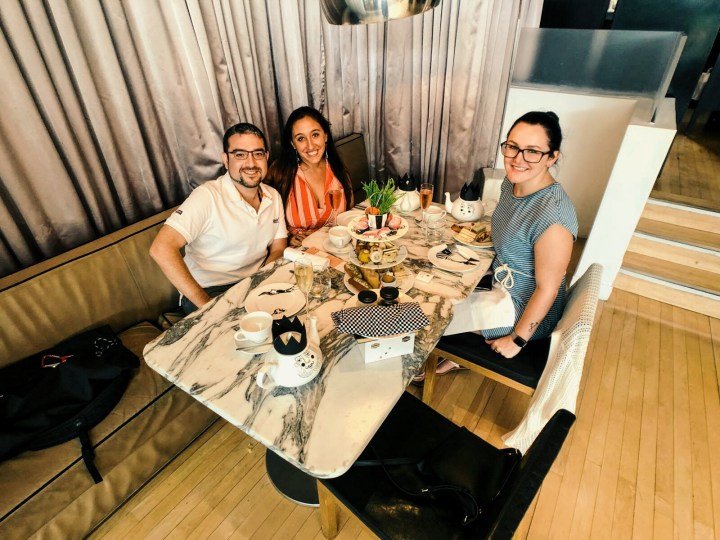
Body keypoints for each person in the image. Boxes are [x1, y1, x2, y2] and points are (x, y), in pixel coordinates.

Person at [416, 111, 577, 382]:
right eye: (512, 147)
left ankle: (421, 359)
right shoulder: (512, 183)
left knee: (428, 311)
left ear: (552, 157)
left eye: (533, 152)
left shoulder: (554, 217)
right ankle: (448, 347)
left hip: (521, 309)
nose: (517, 159)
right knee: (426, 280)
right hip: (496, 281)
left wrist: (517, 340)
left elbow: (547, 289)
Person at [150, 122, 287, 314]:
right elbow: (161, 248)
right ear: (225, 159)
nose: (251, 163)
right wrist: (209, 308)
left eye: (258, 154)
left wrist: (262, 281)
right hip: (210, 290)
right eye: (240, 154)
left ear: (266, 157)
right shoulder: (207, 197)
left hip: (255, 282)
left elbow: (278, 246)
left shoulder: (273, 196)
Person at [266, 106, 353, 245]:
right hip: (297, 256)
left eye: (315, 135)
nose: (310, 145)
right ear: (292, 143)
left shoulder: (338, 169)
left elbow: (349, 216)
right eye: (301, 139)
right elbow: (264, 223)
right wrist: (288, 239)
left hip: (334, 248)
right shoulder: (279, 172)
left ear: (325, 135)